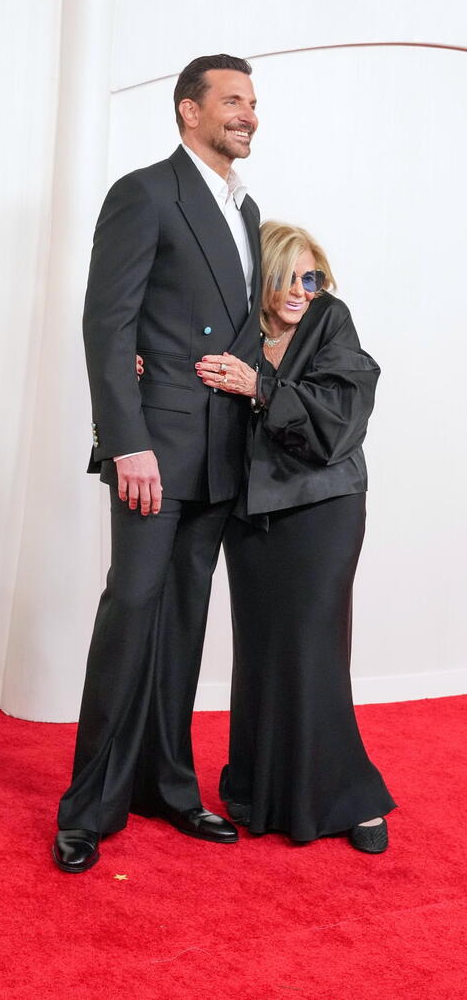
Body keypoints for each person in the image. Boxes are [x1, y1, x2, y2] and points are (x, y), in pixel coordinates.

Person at [53, 54, 262, 874]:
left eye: (253, 102)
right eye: (233, 100)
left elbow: (241, 332)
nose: (247, 114)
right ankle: (88, 809)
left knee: (182, 626)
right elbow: (108, 326)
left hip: (218, 452)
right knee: (131, 615)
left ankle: (167, 788)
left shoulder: (246, 213)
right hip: (155, 451)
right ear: (188, 111)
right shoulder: (145, 192)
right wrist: (126, 441)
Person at [194, 221, 396, 852]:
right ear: (267, 275)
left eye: (313, 278)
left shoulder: (331, 321)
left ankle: (347, 797)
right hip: (251, 516)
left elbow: (339, 420)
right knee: (260, 652)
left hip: (323, 509)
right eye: (292, 277)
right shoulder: (237, 327)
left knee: (315, 648)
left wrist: (259, 388)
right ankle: (262, 792)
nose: (303, 291)